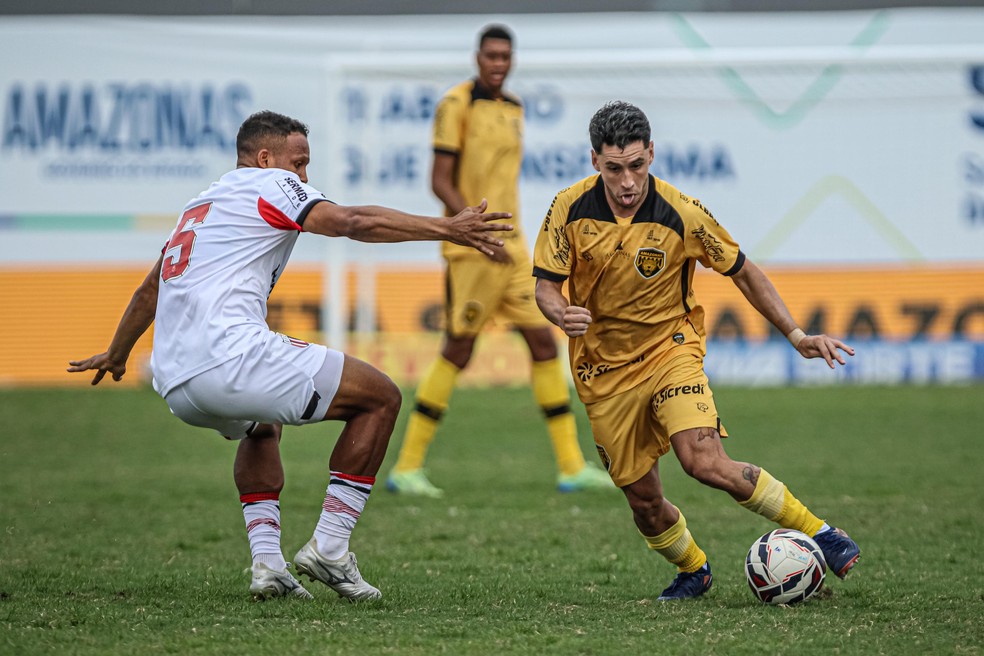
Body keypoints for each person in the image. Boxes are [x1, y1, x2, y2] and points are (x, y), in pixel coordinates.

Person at [68, 110, 512, 602]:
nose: (303, 178)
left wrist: (118, 351)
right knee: (380, 397)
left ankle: (268, 566)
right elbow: (351, 221)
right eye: (299, 163)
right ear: (265, 158)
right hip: (229, 357)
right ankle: (331, 547)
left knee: (263, 423)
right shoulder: (272, 184)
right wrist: (448, 228)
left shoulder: (201, 204)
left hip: (176, 382)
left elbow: (152, 286)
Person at [531, 101, 861, 600]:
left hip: (671, 351)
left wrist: (797, 335)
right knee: (644, 502)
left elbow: (743, 270)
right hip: (602, 372)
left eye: (638, 165)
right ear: (594, 160)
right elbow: (546, 288)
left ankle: (821, 533)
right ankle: (694, 569)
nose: (627, 182)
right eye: (615, 168)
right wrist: (558, 312)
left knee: (703, 460)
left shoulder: (682, 213)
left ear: (652, 155)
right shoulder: (568, 209)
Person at [386, 24, 612, 498]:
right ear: (477, 57)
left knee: (544, 345)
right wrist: (469, 225)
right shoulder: (456, 105)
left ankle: (571, 467)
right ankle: (406, 467)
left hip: (511, 250)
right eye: (490, 55)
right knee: (458, 349)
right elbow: (439, 180)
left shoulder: (513, 108)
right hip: (472, 249)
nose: (498, 63)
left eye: (505, 56)